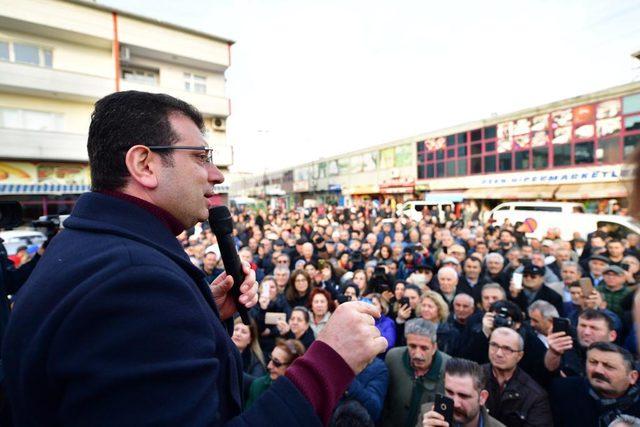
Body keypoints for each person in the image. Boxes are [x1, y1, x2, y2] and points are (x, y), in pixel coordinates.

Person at [2, 91, 387, 426]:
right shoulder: (135, 285)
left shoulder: (83, 247)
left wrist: (199, 311)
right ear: (145, 164)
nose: (216, 175)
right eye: (201, 156)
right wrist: (329, 363)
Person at [550, 342, 640, 426]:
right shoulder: (564, 390)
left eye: (609, 366)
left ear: (632, 377)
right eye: (593, 362)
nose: (598, 370)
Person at [382, 318, 450, 427]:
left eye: (424, 348)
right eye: (412, 346)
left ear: (434, 348)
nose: (417, 354)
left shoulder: (449, 369)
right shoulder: (393, 358)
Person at [482, 328, 552, 427]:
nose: (498, 353)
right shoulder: (472, 378)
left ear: (520, 355)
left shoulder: (535, 396)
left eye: (507, 349)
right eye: (494, 345)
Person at [421, 358, 505, 427]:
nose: (455, 403)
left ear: (482, 397)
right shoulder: (428, 416)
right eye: (450, 392)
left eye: (463, 396)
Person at [545, 308, 617, 378]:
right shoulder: (567, 346)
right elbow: (550, 370)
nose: (586, 332)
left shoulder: (619, 361)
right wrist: (553, 352)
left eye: (594, 328)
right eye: (583, 326)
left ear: (612, 336)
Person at [245, 339, 305, 408]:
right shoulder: (258, 386)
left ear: (292, 366)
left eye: (276, 363)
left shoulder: (302, 398)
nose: (269, 366)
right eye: (270, 358)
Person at [419, 291, 461, 356]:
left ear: (439, 309)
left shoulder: (451, 333)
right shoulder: (413, 327)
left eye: (430, 306)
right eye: (423, 305)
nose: (425, 309)